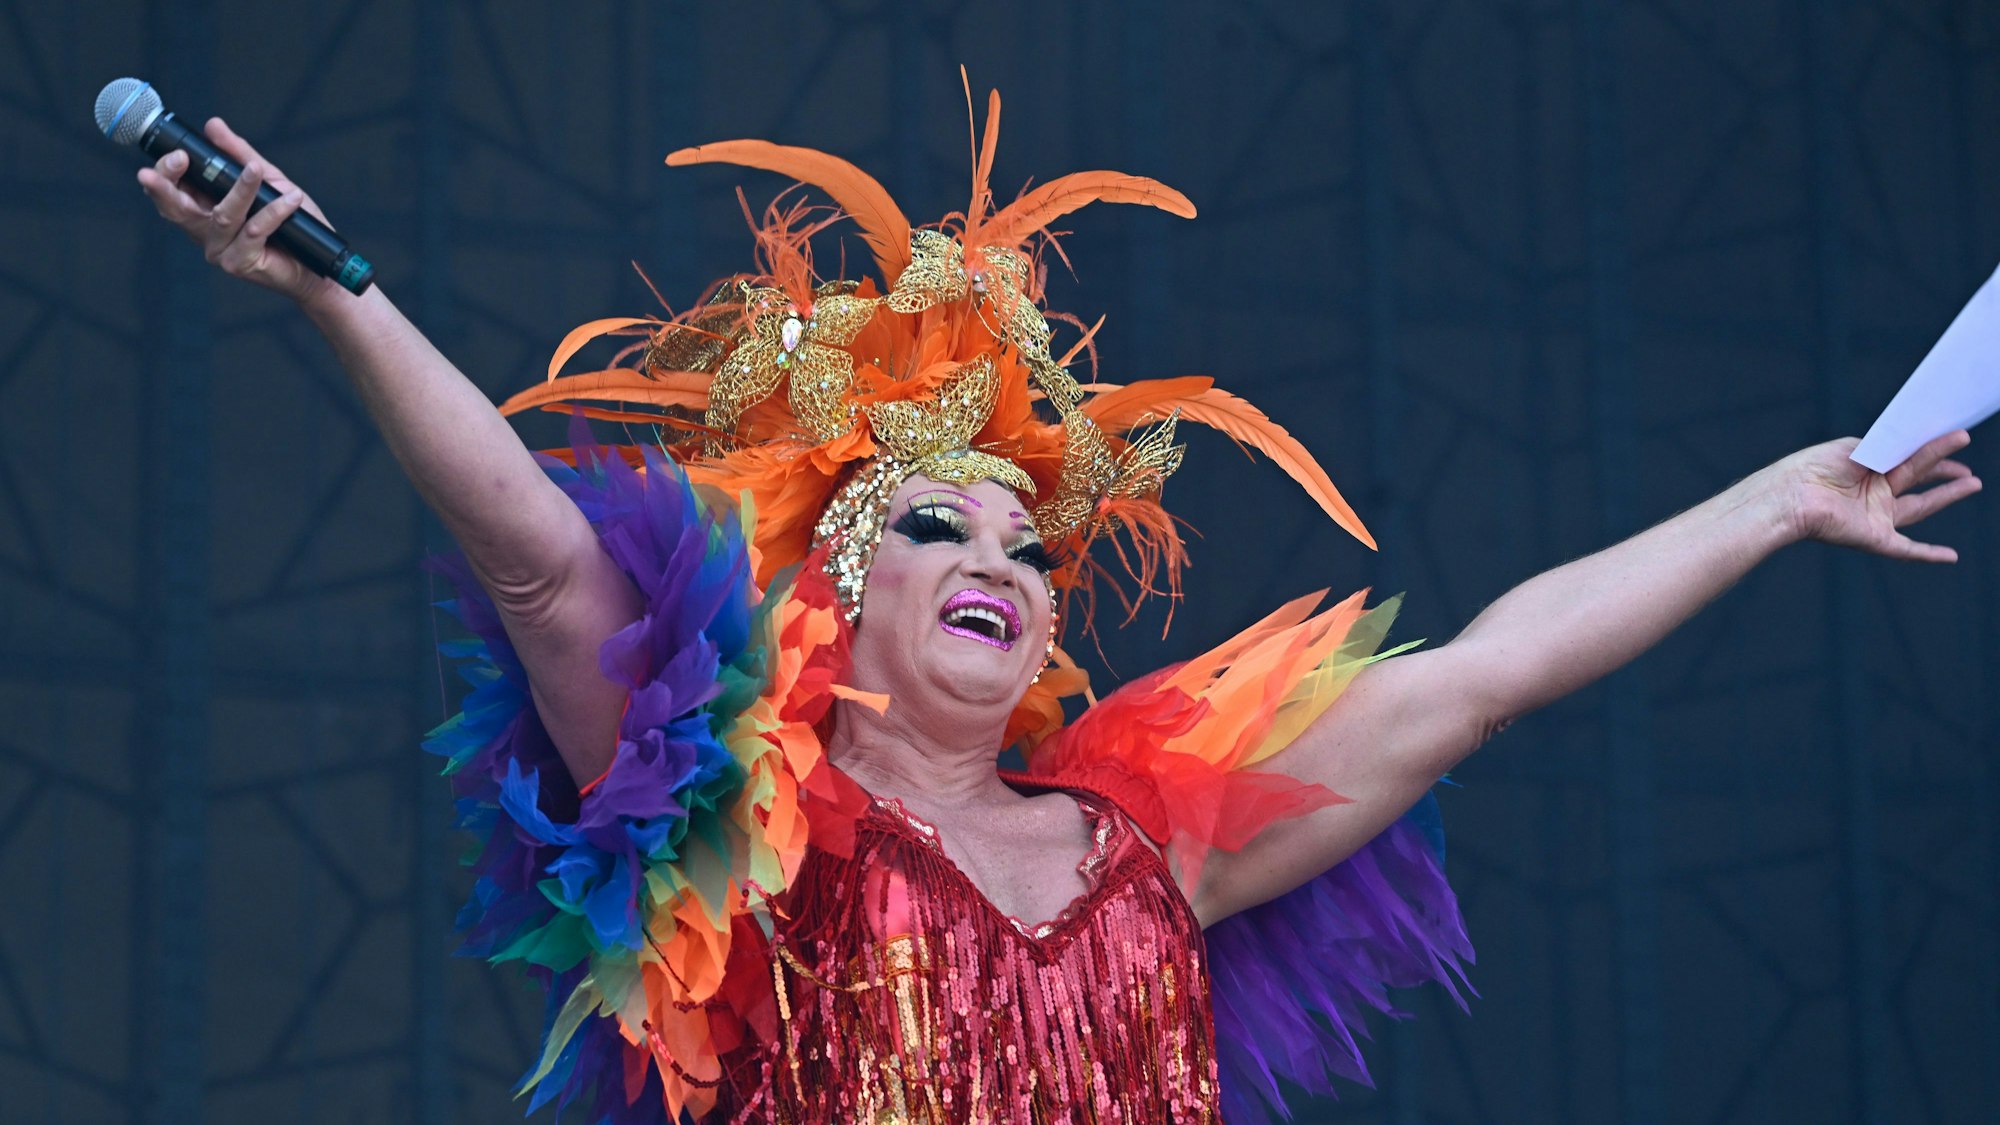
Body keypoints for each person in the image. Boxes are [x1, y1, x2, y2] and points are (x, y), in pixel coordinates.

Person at [138, 92, 1980, 1123]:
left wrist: (1779, 499)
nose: (1010, 569)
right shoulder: (733, 836)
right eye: (950, 529)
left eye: (1034, 552)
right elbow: (542, 558)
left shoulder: (1148, 855)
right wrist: (332, 290)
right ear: (846, 588)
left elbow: (1486, 671)